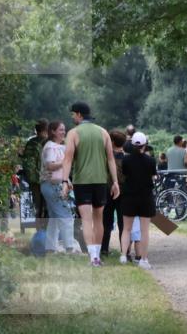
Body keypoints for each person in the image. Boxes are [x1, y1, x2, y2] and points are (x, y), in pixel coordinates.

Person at [60, 102, 119, 267]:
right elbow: (110, 159)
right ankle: (98, 256)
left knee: (86, 220)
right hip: (101, 181)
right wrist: (115, 182)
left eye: (73, 114)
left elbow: (68, 159)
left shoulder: (73, 133)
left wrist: (65, 180)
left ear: (79, 114)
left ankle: (92, 257)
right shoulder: (103, 132)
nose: (72, 117)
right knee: (98, 219)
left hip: (82, 181)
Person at [39, 120, 80, 254]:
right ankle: (70, 247)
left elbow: (61, 170)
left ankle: (50, 248)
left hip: (54, 185)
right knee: (66, 215)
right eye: (61, 130)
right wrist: (65, 161)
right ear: (53, 132)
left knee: (54, 218)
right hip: (52, 186)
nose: (64, 132)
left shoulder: (58, 146)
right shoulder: (51, 147)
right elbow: (50, 166)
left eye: (64, 129)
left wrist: (67, 181)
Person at [119, 132, 157, 269]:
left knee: (126, 228)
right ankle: (143, 259)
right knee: (144, 230)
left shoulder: (126, 160)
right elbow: (153, 175)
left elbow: (125, 174)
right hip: (145, 196)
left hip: (129, 196)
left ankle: (123, 255)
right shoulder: (150, 160)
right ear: (145, 145)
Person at [102, 129, 127, 257]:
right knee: (123, 223)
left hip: (107, 191)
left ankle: (104, 249)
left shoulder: (105, 157)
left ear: (111, 141)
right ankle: (125, 250)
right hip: (124, 193)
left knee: (106, 221)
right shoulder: (127, 158)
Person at [20, 119, 49, 222]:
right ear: (46, 129)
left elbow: (26, 163)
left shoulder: (30, 143)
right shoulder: (49, 143)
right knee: (49, 207)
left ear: (36, 130)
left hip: (34, 181)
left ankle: (40, 232)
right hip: (47, 180)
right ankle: (48, 232)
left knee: (38, 206)